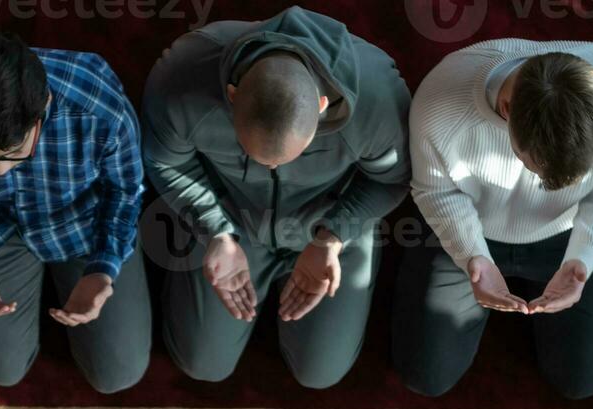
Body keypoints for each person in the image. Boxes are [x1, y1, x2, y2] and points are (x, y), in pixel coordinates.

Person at [142, 5, 411, 388]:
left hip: (334, 225)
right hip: (231, 219)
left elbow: (391, 180)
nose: (270, 166)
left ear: (321, 107)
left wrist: (333, 236)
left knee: (320, 375)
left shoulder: (377, 97)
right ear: (232, 96)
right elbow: (165, 163)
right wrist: (214, 231)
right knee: (202, 365)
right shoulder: (181, 76)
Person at [394, 40, 593, 400]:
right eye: (532, 165)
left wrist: (585, 257)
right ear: (506, 111)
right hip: (470, 224)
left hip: (567, 233)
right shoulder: (439, 106)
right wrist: (472, 254)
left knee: (582, 382)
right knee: (424, 376)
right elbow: (437, 192)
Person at [0, 32, 150, 393]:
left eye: (10, 152)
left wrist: (104, 268)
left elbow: (125, 191)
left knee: (118, 374)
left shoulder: (100, 108)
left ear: (43, 110)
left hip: (83, 221)